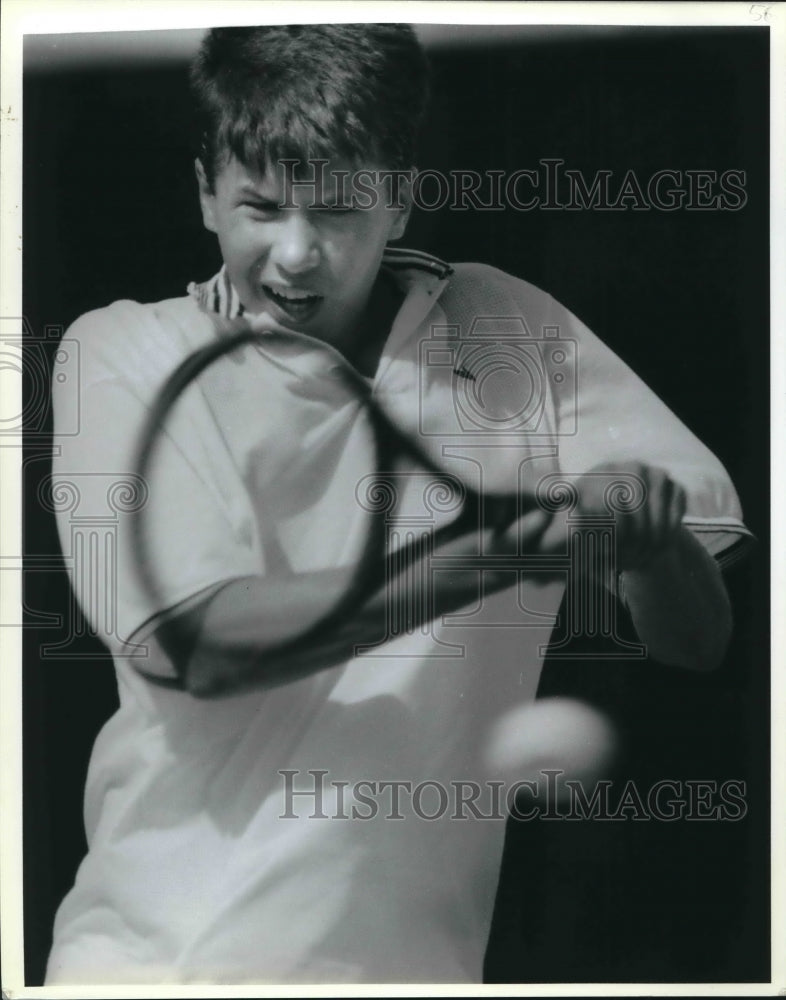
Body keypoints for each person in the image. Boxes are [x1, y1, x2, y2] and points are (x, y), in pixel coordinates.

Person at [45, 24, 752, 985]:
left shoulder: (509, 329)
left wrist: (648, 538)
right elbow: (200, 644)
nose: (295, 256)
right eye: (260, 206)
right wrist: (508, 548)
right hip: (163, 967)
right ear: (205, 189)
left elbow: (696, 639)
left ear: (403, 194)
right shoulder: (122, 353)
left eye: (338, 210)